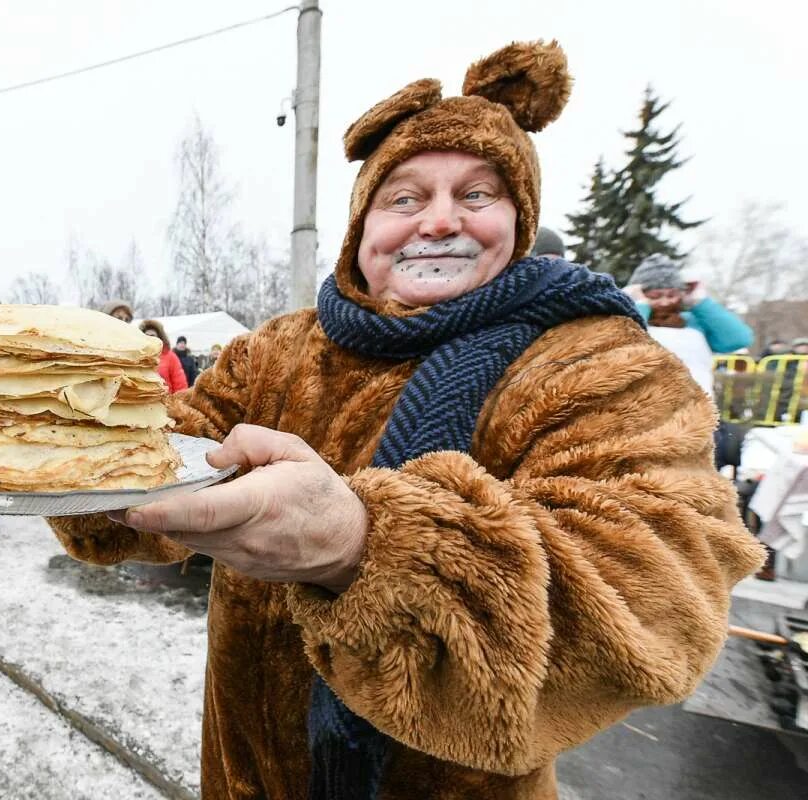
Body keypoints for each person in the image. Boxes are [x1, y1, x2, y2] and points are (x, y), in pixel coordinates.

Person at [47, 41, 763, 800]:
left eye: (479, 194)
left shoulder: (599, 364)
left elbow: (655, 599)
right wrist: (49, 441)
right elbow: (161, 454)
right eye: (405, 197)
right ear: (362, 225)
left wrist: (360, 547)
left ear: (520, 221)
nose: (439, 221)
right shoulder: (281, 351)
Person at [623, 254, 753, 398]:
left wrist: (700, 302)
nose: (665, 302)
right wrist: (635, 306)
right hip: (641, 408)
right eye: (655, 296)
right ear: (639, 294)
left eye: (671, 295)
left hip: (697, 408)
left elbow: (738, 339)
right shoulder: (631, 320)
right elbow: (624, 342)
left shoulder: (694, 322)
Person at [139, 319, 187, 393]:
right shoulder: (137, 357)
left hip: (165, 402)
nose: (150, 339)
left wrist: (178, 403)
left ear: (159, 338)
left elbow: (180, 386)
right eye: (146, 336)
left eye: (153, 336)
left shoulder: (170, 357)